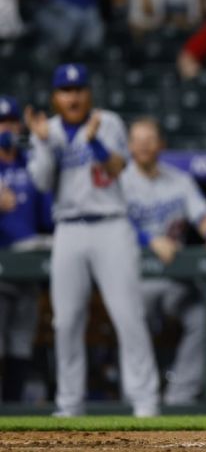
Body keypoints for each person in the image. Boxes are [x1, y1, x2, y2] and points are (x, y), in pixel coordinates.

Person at [24, 63, 159, 417]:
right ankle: (69, 404)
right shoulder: (47, 130)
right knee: (66, 321)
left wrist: (94, 141)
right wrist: (42, 142)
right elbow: (41, 183)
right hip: (68, 228)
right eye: (66, 91)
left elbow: (117, 168)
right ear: (55, 97)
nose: (73, 97)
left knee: (128, 315)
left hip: (110, 225)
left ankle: (144, 401)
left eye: (79, 90)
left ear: (89, 93)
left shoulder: (107, 122)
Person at [121, 117, 206, 405]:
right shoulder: (118, 182)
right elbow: (114, 224)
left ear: (161, 144)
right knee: (131, 321)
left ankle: (180, 397)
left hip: (175, 278)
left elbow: (204, 216)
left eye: (150, 140)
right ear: (129, 146)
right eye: (138, 140)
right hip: (135, 277)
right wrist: (150, 240)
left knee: (205, 316)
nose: (144, 146)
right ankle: (137, 398)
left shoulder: (179, 181)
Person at [0, 96, 52, 402]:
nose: (5, 128)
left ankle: (13, 410)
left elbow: (48, 218)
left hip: (28, 270)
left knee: (20, 342)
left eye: (10, 121)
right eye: (0, 123)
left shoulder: (31, 165)